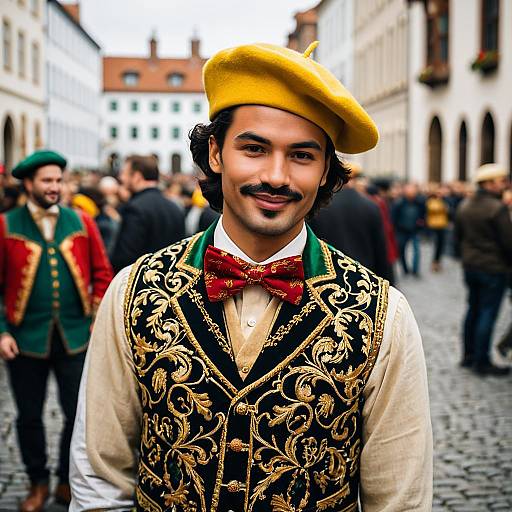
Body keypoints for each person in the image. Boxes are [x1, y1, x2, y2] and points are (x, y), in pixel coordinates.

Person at [70, 42, 432, 511]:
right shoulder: (132, 292)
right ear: (216, 154)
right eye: (255, 148)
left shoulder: (385, 315)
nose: (277, 175)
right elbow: (99, 476)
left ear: (326, 171)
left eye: (302, 155)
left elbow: (401, 498)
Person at [0, 150, 113, 511]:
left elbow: (102, 273)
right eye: (47, 181)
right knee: (30, 416)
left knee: (75, 414)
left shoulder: (81, 221)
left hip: (75, 337)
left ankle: (66, 481)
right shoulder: (5, 225)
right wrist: (3, 332)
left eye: (58, 180)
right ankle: (36, 483)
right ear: (29, 184)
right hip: (25, 341)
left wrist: (96, 316)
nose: (54, 187)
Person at [454, 164, 512, 376]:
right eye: (500, 181)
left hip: (471, 266)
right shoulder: (497, 208)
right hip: (493, 268)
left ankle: (468, 356)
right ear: (488, 183)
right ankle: (482, 360)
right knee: (487, 313)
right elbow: (508, 243)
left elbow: (457, 238)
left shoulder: (465, 204)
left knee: (473, 310)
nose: (503, 185)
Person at [310, 165, 394, 282]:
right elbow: (380, 250)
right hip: (364, 277)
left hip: (328, 277)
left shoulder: (319, 206)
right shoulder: (371, 206)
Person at [110, 155, 185, 273]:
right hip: (170, 282)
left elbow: (124, 258)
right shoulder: (175, 207)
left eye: (124, 173)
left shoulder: (134, 208)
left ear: (137, 177)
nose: (121, 177)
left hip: (141, 283)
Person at [392, 183, 425, 277]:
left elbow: (423, 214)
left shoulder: (419, 202)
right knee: (401, 250)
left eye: (413, 191)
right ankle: (405, 269)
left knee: (416, 250)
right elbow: (394, 217)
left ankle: (415, 270)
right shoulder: (399, 203)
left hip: (415, 230)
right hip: (402, 230)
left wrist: (421, 223)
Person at [425, 185, 449, 272]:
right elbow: (433, 209)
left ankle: (437, 262)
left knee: (441, 245)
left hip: (442, 224)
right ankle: (435, 262)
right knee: (437, 244)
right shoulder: (431, 201)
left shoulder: (443, 201)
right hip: (434, 225)